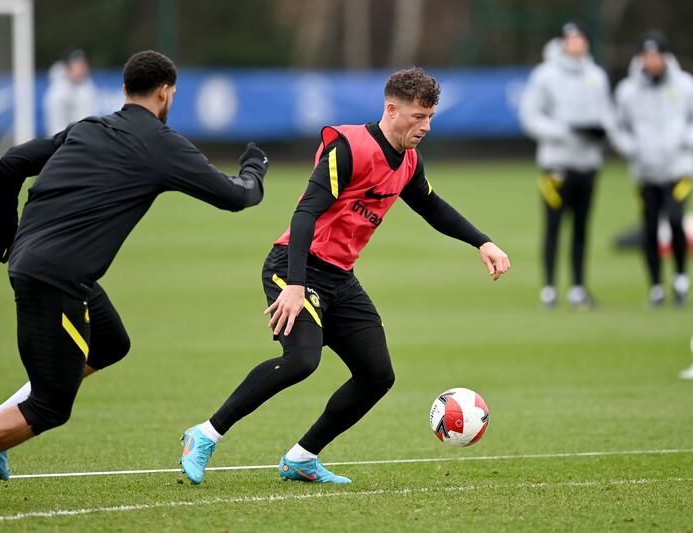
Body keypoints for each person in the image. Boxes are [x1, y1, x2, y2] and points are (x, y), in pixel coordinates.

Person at [0, 50, 269, 508]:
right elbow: (237, 196)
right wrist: (254, 168)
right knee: (51, 406)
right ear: (166, 91)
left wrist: (2, 237)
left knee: (110, 341)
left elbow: (12, 162)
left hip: (42, 262)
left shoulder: (89, 126)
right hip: (56, 277)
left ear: (124, 89)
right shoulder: (161, 143)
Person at [178, 67, 510, 485]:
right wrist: (295, 286)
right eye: (418, 117)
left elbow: (432, 206)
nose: (426, 126)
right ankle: (204, 436)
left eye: (430, 117)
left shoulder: (408, 160)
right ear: (392, 110)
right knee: (301, 360)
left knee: (377, 376)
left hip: (339, 277)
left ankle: (301, 458)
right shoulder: (349, 148)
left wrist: (483, 242)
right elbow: (305, 214)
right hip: (293, 265)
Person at [519, 22, 613, 309]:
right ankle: (548, 287)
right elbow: (530, 116)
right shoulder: (545, 75)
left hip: (588, 163)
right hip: (556, 164)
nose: (576, 44)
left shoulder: (596, 76)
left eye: (580, 38)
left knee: (581, 229)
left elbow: (608, 114)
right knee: (553, 226)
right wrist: (564, 130)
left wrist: (601, 130)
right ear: (563, 43)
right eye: (571, 39)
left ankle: (578, 288)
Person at [610, 32, 692, 306]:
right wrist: (631, 148)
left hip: (678, 169)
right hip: (645, 172)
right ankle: (656, 285)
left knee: (677, 221)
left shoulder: (685, 86)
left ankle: (680, 277)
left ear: (665, 57)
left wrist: (683, 139)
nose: (651, 61)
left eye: (656, 55)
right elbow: (617, 126)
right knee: (650, 227)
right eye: (646, 56)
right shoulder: (628, 91)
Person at [43, 49, 98, 135]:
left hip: (83, 139)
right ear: (68, 67)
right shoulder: (57, 93)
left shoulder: (87, 86)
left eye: (82, 65)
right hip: (64, 142)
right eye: (77, 66)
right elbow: (55, 125)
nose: (81, 69)